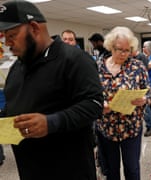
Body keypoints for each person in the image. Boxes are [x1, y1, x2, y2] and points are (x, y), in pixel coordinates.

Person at [0, 1, 104, 179]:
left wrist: (51, 122)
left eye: (12, 35)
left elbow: (94, 104)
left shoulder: (75, 60)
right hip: (30, 169)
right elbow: (14, 106)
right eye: (4, 37)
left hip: (70, 169)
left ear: (33, 28)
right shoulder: (17, 68)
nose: (7, 43)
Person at [97, 26, 151, 180]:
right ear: (110, 47)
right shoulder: (98, 68)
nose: (123, 54)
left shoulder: (137, 67)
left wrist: (144, 100)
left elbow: (150, 92)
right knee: (111, 171)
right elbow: (91, 97)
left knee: (132, 169)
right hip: (107, 128)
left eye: (127, 50)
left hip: (131, 128)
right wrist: (100, 106)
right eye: (119, 49)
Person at [131, 49, 151, 137]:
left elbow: (146, 69)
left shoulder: (141, 57)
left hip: (142, 86)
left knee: (145, 108)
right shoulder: (132, 58)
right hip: (133, 87)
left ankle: (150, 127)